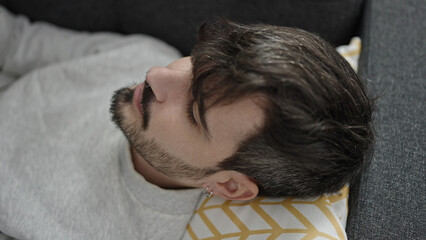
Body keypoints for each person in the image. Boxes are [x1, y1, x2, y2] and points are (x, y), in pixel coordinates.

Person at [0, 6, 374, 240]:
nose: (156, 75)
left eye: (194, 111)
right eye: (196, 62)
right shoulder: (147, 55)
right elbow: (16, 42)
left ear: (228, 184)